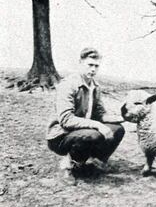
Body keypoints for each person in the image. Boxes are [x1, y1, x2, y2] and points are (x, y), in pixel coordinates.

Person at [46, 47, 125, 180]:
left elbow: (100, 114)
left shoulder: (95, 86)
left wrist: (122, 118)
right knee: (91, 134)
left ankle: (93, 161)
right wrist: (97, 125)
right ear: (80, 63)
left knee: (118, 129)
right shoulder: (68, 85)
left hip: (82, 130)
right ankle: (69, 165)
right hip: (60, 135)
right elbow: (66, 120)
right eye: (90, 65)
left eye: (96, 66)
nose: (93, 69)